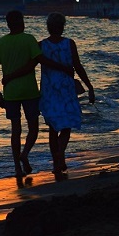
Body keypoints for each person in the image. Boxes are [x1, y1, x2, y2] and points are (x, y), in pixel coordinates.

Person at [39, 12, 95, 180]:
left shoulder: (40, 45)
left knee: (53, 127)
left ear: (48, 27)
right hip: (66, 88)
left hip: (49, 90)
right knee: (67, 125)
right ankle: (60, 155)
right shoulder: (69, 44)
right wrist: (89, 86)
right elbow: (77, 66)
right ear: (63, 27)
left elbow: (30, 64)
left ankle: (57, 160)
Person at [0, 9, 42, 186]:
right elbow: (34, 63)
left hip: (10, 92)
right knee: (33, 127)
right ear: (22, 22)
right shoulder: (29, 39)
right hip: (30, 90)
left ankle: (17, 167)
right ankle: (24, 154)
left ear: (7, 24)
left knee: (15, 130)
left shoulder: (2, 42)